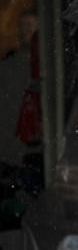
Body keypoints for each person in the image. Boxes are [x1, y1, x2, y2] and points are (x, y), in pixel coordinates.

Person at [0, 9, 38, 167]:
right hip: (11, 143)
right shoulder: (9, 66)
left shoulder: (44, 65)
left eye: (30, 26)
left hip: (31, 145)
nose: (26, 30)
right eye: (23, 25)